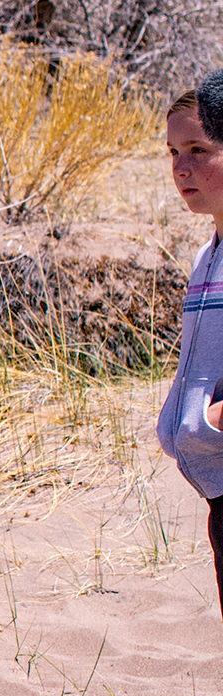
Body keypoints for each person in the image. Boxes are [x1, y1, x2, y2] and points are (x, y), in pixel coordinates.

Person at [158, 73, 223, 620]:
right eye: (174, 152)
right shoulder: (208, 258)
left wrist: (214, 419)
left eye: (199, 150)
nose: (182, 167)